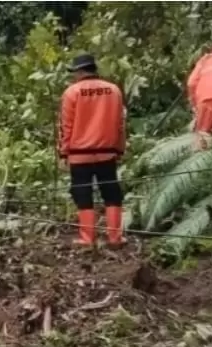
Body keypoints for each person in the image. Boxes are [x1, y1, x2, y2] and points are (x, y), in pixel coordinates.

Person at [57, 53, 127, 248]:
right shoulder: (113, 90)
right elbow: (120, 123)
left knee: (82, 193)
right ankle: (115, 238)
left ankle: (87, 239)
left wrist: (63, 153)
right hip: (107, 152)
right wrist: (120, 148)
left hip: (80, 155)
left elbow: (65, 126)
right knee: (112, 193)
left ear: (80, 72)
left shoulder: (72, 92)